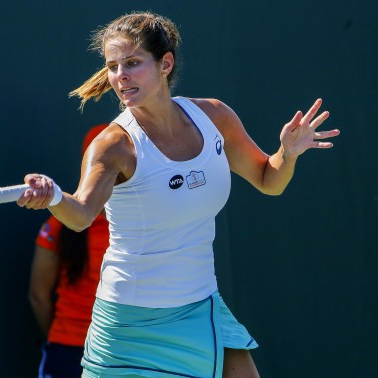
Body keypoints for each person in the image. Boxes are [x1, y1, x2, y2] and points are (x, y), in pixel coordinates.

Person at [18, 11, 340, 378]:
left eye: (133, 63)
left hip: (201, 306)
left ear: (165, 64)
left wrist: (288, 154)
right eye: (112, 66)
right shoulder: (113, 146)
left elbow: (270, 180)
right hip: (131, 324)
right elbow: (81, 215)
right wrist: (55, 197)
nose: (120, 76)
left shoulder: (215, 117)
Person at [28, 124, 110, 378]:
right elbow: (38, 295)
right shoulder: (59, 224)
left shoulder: (146, 221)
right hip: (67, 352)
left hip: (126, 352)